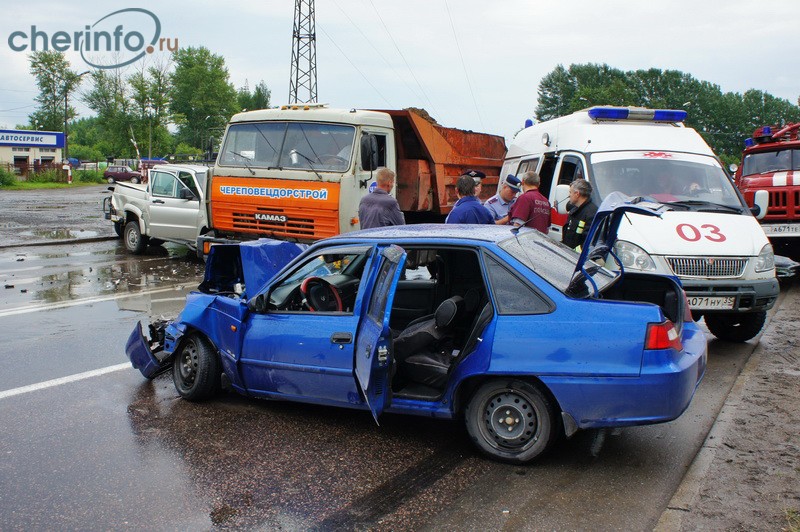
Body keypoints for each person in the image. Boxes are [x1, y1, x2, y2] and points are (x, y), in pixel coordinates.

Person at [561, 178, 598, 251]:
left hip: (576, 258)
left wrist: (574, 252)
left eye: (570, 192)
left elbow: (589, 243)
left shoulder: (591, 214)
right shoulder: (575, 210)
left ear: (577, 194)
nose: (569, 195)